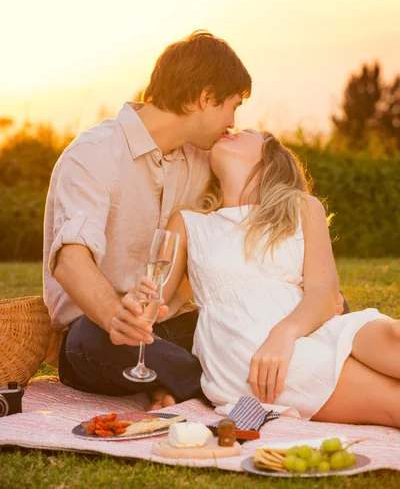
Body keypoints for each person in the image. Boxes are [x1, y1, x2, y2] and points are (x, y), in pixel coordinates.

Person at [43, 30, 251, 409]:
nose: (232, 122)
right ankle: (233, 386)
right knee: (92, 340)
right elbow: (71, 260)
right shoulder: (94, 153)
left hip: (171, 327)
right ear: (205, 97)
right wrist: (114, 316)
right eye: (232, 106)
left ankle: (175, 380)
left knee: (259, 315)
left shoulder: (204, 160)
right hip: (103, 335)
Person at [137, 128, 400, 427]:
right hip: (247, 347)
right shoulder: (188, 222)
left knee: (395, 336)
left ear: (270, 157)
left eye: (245, 131)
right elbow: (155, 302)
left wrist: (284, 334)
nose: (229, 130)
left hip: (305, 325)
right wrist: (140, 306)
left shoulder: (301, 207)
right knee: (393, 401)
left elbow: (324, 292)